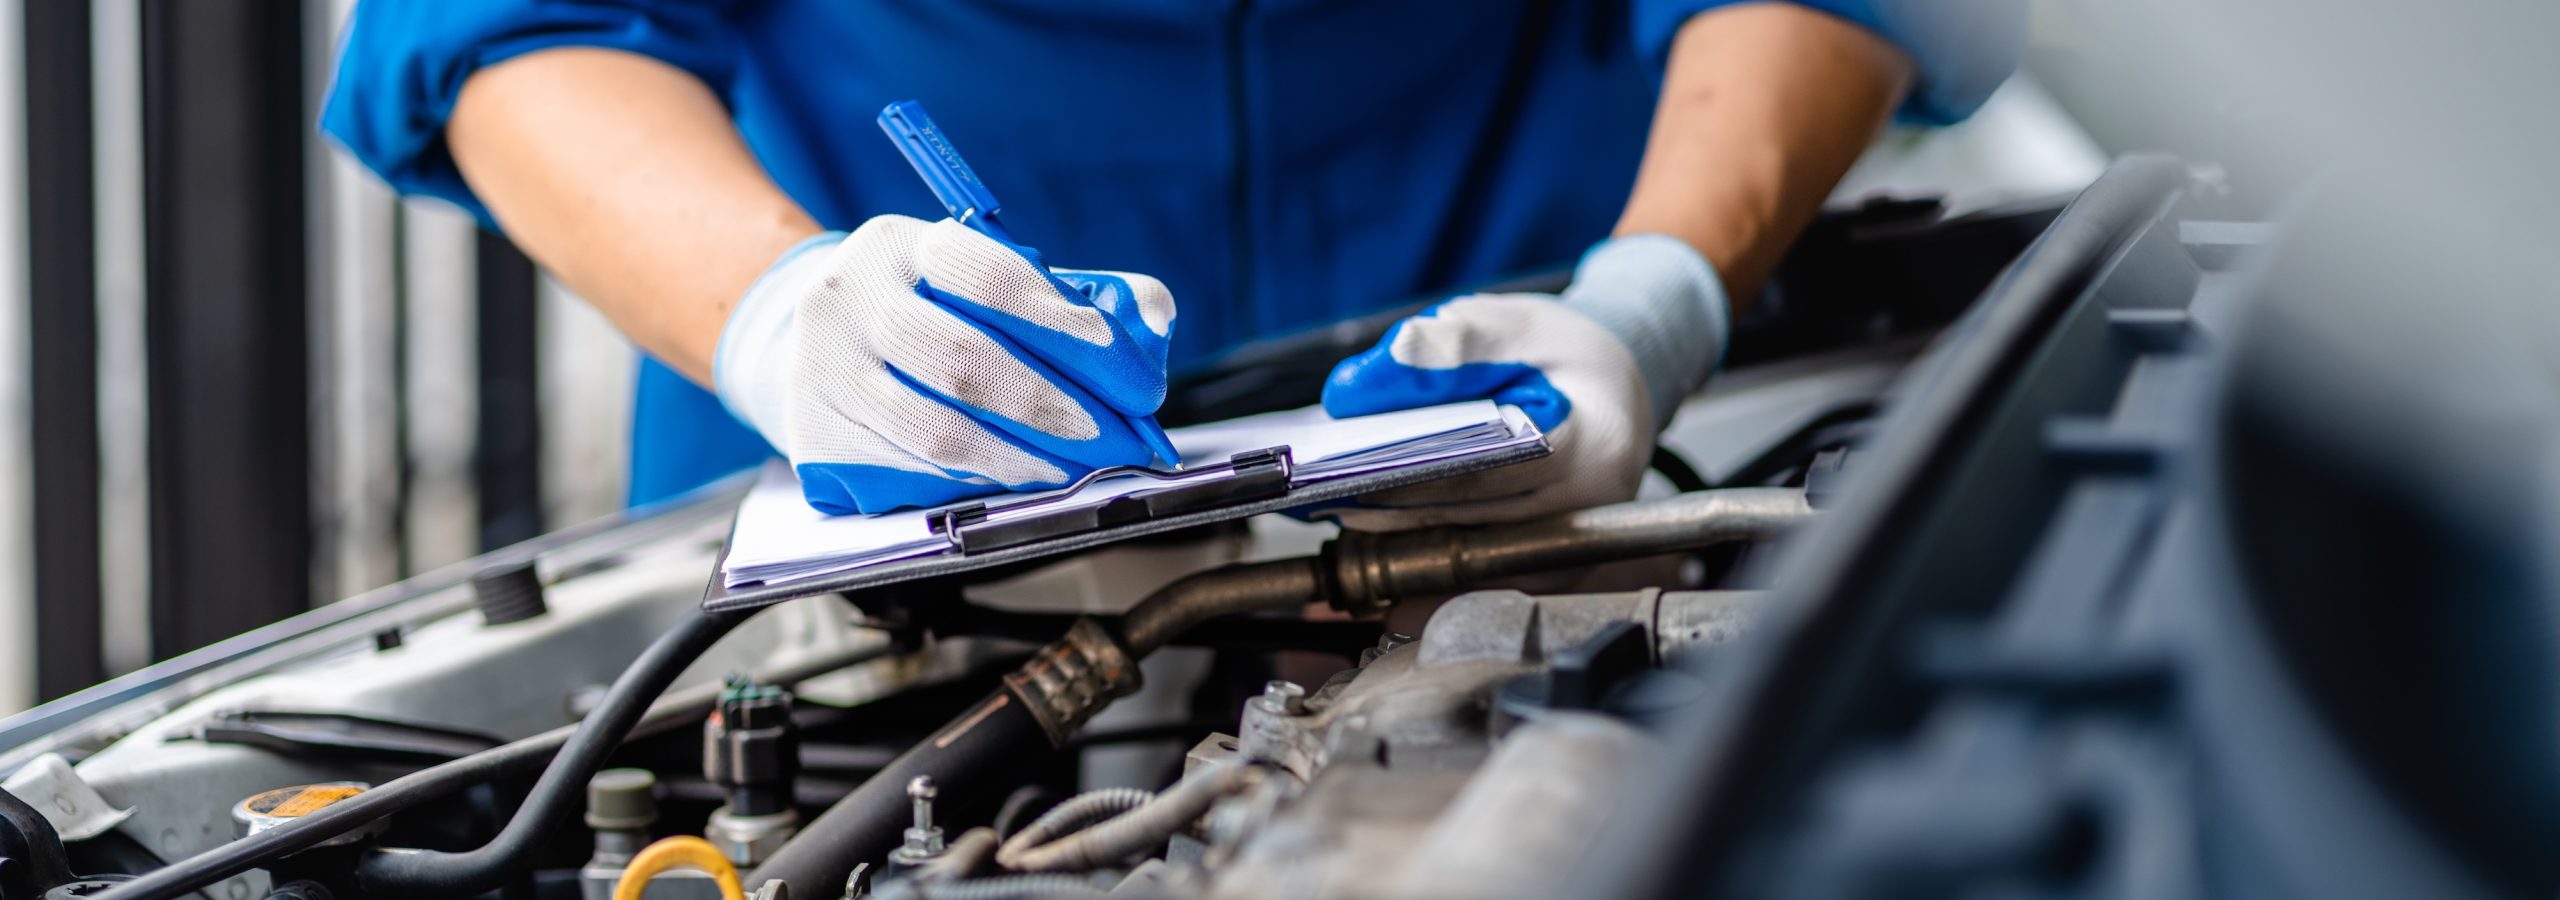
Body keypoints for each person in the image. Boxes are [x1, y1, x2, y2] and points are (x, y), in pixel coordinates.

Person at [323, 0, 2021, 528]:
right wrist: (776, 313)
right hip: (852, 439)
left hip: (1531, 361)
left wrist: (1654, 297)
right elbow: (508, 20)